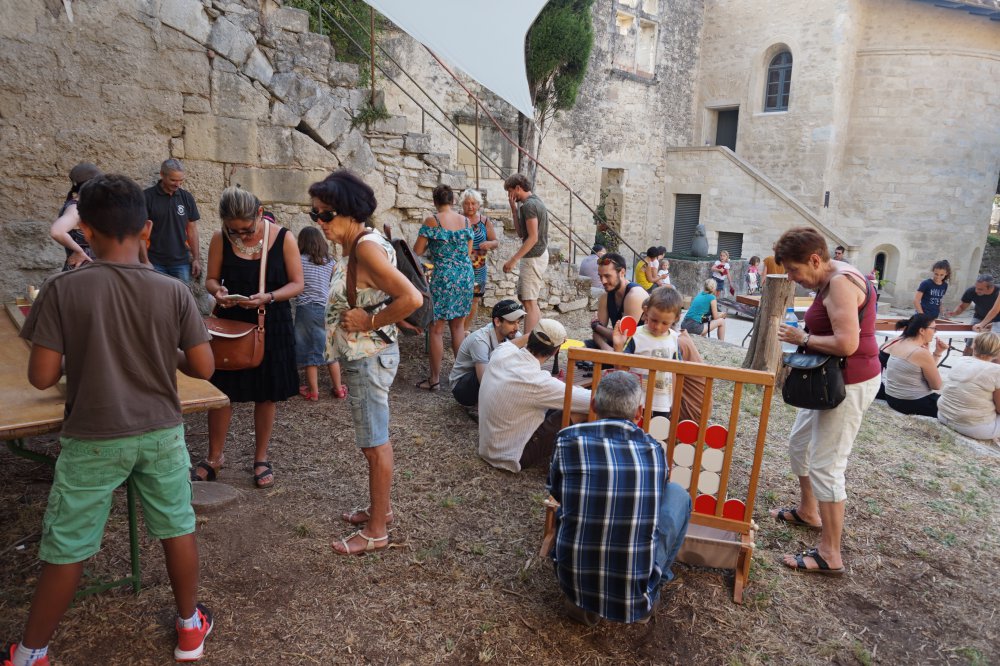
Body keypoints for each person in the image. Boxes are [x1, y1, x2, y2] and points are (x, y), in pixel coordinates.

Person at [10, 174, 216, 665]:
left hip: (92, 436)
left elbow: (42, 378)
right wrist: (163, 349)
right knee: (175, 528)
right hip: (161, 433)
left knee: (70, 543)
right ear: (147, 229)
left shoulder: (64, 289)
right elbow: (203, 367)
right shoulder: (171, 291)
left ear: (85, 230)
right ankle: (190, 628)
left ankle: (30, 652)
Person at [311, 170, 422, 556]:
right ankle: (381, 510)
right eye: (315, 215)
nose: (319, 222)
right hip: (367, 355)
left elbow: (412, 299)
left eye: (325, 215)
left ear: (350, 213)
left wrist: (369, 321)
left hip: (368, 356)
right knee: (372, 441)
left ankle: (376, 531)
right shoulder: (361, 243)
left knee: (375, 444)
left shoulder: (365, 248)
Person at [769, 227, 879, 575]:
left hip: (848, 382)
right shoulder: (829, 277)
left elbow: (848, 344)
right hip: (827, 378)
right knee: (799, 444)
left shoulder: (841, 284)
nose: (792, 278)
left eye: (794, 270)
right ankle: (808, 511)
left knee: (827, 465)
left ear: (815, 259)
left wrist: (803, 336)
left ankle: (830, 553)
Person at [548, 371, 691, 626]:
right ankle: (653, 586)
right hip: (634, 597)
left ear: (593, 404)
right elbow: (654, 502)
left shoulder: (567, 440)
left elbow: (557, 494)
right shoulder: (654, 451)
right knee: (678, 495)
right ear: (639, 412)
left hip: (573, 584)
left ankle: (582, 603)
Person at [195, 188, 304, 488]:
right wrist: (217, 291)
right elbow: (211, 279)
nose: (240, 236)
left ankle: (261, 457)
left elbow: (297, 284)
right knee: (221, 392)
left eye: (246, 229)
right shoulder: (220, 239)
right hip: (230, 321)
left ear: (259, 214)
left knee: (266, 393)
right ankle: (215, 456)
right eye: (234, 230)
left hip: (271, 322)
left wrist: (268, 297)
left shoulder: (284, 238)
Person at [478, 319, 591, 472]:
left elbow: (511, 344)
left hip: (488, 447)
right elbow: (592, 402)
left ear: (530, 337)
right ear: (556, 350)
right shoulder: (538, 382)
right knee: (578, 410)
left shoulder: (501, 353)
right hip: (510, 457)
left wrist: (538, 331)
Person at [412, 184, 474, 391]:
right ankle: (460, 377)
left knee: (436, 329)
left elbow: (417, 251)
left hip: (444, 276)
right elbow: (468, 251)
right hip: (465, 275)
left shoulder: (433, 220)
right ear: (453, 201)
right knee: (458, 326)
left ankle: (435, 379)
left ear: (435, 202)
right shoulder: (466, 221)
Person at [612, 287, 683, 420]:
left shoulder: (674, 339)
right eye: (654, 320)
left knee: (658, 437)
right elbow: (621, 370)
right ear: (646, 311)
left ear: (676, 319)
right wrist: (618, 346)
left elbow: (675, 372)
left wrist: (674, 401)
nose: (658, 327)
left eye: (665, 323)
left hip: (662, 404)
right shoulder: (635, 336)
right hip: (635, 400)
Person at [294, 226, 344, 401]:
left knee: (310, 351)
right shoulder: (330, 262)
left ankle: (313, 391)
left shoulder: (298, 260)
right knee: (329, 349)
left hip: (306, 309)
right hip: (325, 309)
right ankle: (338, 388)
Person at [450, 299, 525, 410]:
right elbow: (484, 380)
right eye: (511, 323)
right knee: (497, 366)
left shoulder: (512, 334)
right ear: (497, 322)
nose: (517, 328)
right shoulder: (480, 340)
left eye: (518, 322)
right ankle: (483, 408)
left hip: (483, 378)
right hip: (463, 388)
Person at [502, 173, 549, 335]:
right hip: (534, 255)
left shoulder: (530, 205)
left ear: (518, 188)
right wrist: (514, 210)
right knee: (527, 299)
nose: (509, 195)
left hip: (534, 256)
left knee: (529, 301)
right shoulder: (528, 204)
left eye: (510, 191)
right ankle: (540, 334)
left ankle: (529, 342)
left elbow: (533, 237)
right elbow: (522, 234)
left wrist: (513, 260)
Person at [144, 159, 202, 283]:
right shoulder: (147, 197)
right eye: (173, 180)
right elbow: (140, 233)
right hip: (154, 262)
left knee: (181, 301)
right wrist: (144, 260)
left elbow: (192, 230)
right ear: (162, 175)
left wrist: (196, 259)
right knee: (157, 301)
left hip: (181, 263)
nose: (178, 184)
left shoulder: (187, 198)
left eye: (181, 180)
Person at [937, 331, 1000, 441]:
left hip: (943, 416)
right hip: (973, 427)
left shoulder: (960, 360)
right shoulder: (996, 371)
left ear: (973, 345)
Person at [879, 314, 946, 417]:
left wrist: (937, 352)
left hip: (891, 398)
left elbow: (922, 369)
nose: (935, 332)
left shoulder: (899, 342)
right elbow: (936, 385)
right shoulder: (920, 352)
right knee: (954, 407)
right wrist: (936, 353)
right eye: (933, 328)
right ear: (922, 331)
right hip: (911, 402)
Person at [49, 162, 101, 271]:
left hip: (91, 272)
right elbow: (57, 231)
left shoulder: (85, 205)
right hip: (81, 272)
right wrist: (79, 251)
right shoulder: (76, 208)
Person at [459, 188, 499, 332]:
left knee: (474, 299)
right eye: (467, 203)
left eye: (473, 203)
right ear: (462, 205)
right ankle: (456, 328)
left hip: (478, 267)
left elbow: (495, 241)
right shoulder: (458, 219)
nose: (470, 207)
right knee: (460, 297)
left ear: (478, 205)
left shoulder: (484, 221)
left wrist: (489, 244)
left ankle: (464, 329)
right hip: (460, 265)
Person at [589, 253, 646, 351]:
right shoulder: (605, 296)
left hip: (639, 347)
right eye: (600, 276)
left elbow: (624, 337)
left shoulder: (634, 295)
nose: (603, 281)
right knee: (585, 347)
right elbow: (597, 334)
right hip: (616, 344)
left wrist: (596, 326)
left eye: (607, 276)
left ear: (622, 273)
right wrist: (604, 347)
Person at [954, 275, 1000, 355]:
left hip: (997, 320)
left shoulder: (998, 292)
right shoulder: (971, 291)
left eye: (980, 289)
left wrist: (982, 325)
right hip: (979, 316)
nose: (976, 290)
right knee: (970, 342)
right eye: (976, 287)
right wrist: (954, 313)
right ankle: (965, 361)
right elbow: (962, 306)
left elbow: (994, 310)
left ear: (990, 288)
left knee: (994, 345)